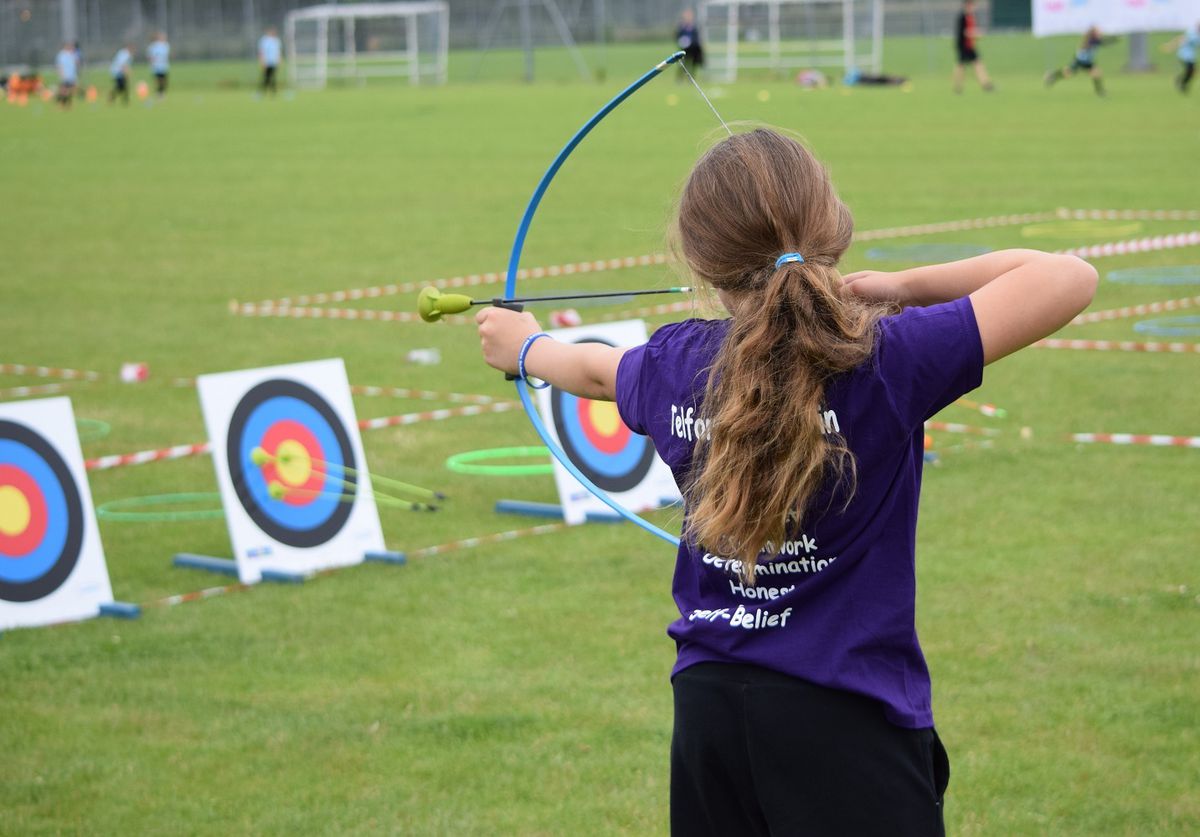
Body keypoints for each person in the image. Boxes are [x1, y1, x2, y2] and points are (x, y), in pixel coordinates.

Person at [474, 128, 1097, 834]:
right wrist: (899, 286)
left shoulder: (677, 361)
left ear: (705, 263)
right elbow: (1068, 276)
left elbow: (589, 370)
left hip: (710, 715)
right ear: (829, 230)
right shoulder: (884, 359)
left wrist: (523, 345)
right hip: (847, 722)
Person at [1045, 26, 1117, 96]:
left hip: (1088, 62)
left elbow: (1102, 42)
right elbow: (1103, 42)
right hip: (1080, 61)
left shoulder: (1093, 40)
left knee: (1096, 73)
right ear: (1094, 33)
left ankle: (1100, 91)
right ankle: (1052, 75)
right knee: (1067, 74)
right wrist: (1114, 39)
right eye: (1098, 32)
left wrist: (1112, 39)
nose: (1100, 33)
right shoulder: (1092, 40)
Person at [953, 0, 994, 93]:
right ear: (967, 6)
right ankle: (958, 87)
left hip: (971, 45)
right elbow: (964, 32)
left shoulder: (973, 16)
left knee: (978, 64)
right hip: (963, 46)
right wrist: (975, 34)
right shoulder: (962, 17)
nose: (973, 8)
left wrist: (977, 34)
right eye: (971, 5)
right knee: (960, 66)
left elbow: (973, 30)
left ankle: (986, 84)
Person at [1162, 22, 1199, 93]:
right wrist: (1170, 46)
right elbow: (1181, 39)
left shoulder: (1197, 35)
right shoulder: (1192, 33)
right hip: (1184, 55)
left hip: (1191, 56)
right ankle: (1182, 83)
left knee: (1191, 72)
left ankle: (1180, 81)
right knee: (1190, 71)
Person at [676, 9, 704, 76]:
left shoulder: (694, 27)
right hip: (685, 48)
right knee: (684, 63)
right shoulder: (682, 27)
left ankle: (692, 76)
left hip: (693, 48)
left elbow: (697, 37)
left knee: (693, 63)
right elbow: (678, 36)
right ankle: (680, 77)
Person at [258, 26, 282, 95]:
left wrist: (279, 60)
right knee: (266, 77)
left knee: (273, 77)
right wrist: (262, 61)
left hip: (274, 62)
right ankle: (263, 91)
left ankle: (273, 91)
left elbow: (278, 52)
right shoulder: (264, 40)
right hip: (267, 62)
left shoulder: (277, 40)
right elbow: (261, 52)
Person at [54, 40, 78, 108]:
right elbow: (59, 65)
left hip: (72, 76)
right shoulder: (61, 55)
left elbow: (76, 64)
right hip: (65, 76)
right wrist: (61, 74)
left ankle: (68, 103)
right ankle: (61, 104)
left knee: (71, 90)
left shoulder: (73, 54)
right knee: (63, 90)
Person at [147, 31, 170, 97]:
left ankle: (161, 93)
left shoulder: (166, 45)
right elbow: (150, 56)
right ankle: (158, 93)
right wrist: (152, 62)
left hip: (164, 66)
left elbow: (166, 56)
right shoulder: (153, 46)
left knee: (163, 80)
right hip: (156, 66)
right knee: (157, 80)